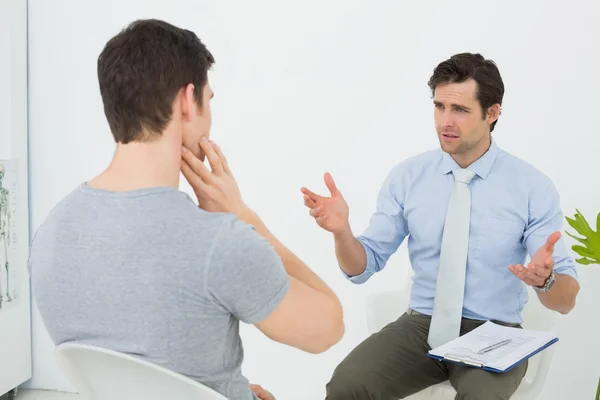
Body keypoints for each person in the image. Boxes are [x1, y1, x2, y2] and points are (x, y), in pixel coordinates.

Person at [28, 19, 344, 400]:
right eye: (208, 101)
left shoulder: (49, 234)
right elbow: (329, 326)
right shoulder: (220, 242)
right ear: (185, 101)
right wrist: (244, 217)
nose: (210, 119)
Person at [302, 52, 580, 400]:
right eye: (440, 106)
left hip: (495, 335)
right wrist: (342, 232)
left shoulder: (531, 187)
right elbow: (362, 267)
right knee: (347, 386)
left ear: (492, 113)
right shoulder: (408, 176)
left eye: (460, 110)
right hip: (421, 327)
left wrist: (547, 280)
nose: (445, 121)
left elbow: (566, 301)